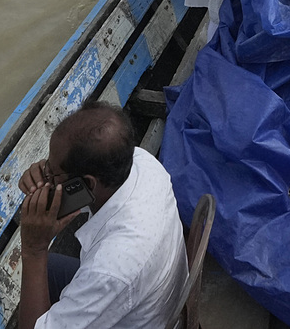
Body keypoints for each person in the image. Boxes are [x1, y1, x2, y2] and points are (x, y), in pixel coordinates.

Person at [15, 105, 188, 329]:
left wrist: (34, 249)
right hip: (153, 301)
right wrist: (50, 181)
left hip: (141, 308)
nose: (46, 172)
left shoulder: (109, 268)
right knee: (48, 268)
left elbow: (108, 271)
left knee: (37, 264)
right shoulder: (143, 164)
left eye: (53, 171)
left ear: (86, 184)